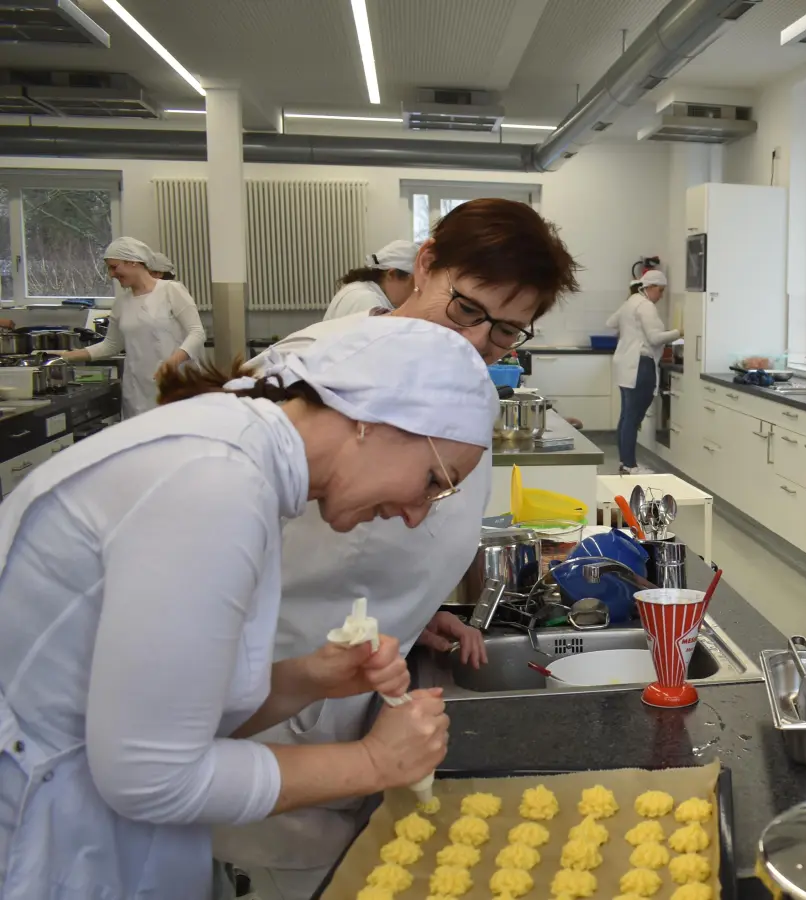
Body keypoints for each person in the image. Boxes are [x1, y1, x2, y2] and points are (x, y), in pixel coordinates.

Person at [0, 316, 499, 897]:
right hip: (46, 847)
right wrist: (374, 763)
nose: (418, 514)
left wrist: (309, 678)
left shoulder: (239, 462)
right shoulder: (215, 484)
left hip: (92, 834)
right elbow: (150, 775)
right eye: (434, 481)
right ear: (374, 419)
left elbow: (176, 713)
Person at [212, 197, 580, 899]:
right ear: (425, 265)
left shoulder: (468, 392)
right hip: (270, 716)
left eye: (507, 332)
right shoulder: (311, 376)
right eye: (467, 309)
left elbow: (416, 522)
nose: (478, 343)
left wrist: (411, 609)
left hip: (370, 689)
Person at [57, 237, 208, 418]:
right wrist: (67, 356)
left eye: (114, 267)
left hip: (175, 384)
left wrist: (172, 362)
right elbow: (110, 345)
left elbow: (197, 333)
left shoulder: (171, 290)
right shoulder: (122, 302)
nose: (111, 274)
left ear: (133, 262)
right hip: (137, 391)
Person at [607, 268, 679, 475]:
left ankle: (626, 462)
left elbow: (610, 323)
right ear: (652, 287)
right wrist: (679, 332)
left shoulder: (630, 302)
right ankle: (630, 466)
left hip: (625, 363)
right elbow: (656, 338)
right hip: (640, 364)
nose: (662, 296)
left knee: (627, 416)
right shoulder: (646, 306)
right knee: (633, 416)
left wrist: (629, 332)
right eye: (661, 291)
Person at [323, 239, 420, 320]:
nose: (416, 293)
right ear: (391, 274)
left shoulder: (363, 289)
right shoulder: (367, 302)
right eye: (415, 285)